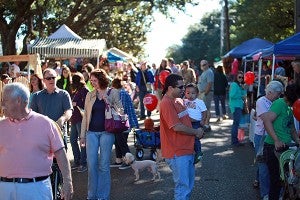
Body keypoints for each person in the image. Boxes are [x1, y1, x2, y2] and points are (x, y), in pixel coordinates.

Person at [0, 82, 73, 200]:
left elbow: (61, 155)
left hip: (37, 188)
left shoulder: (46, 124)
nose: (2, 104)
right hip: (4, 188)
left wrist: (68, 183)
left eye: (5, 100)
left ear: (18, 100)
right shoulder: (1, 126)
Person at [160, 73, 204, 200]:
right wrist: (196, 132)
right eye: (180, 87)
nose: (183, 90)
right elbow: (177, 127)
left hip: (186, 149)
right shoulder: (166, 103)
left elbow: (186, 119)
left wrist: (200, 125)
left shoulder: (178, 100)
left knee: (187, 186)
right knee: (182, 188)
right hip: (177, 152)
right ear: (170, 88)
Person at [80, 69, 122, 200]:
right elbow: (85, 116)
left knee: (104, 165)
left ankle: (103, 196)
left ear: (101, 79)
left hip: (107, 132)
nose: (92, 83)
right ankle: (91, 195)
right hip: (91, 132)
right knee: (91, 165)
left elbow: (120, 110)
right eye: (91, 81)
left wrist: (108, 100)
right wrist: (82, 135)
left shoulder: (113, 92)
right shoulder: (90, 95)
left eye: (95, 80)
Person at [262, 84, 299, 200]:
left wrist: (297, 140)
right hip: (273, 147)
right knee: (276, 181)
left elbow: (291, 128)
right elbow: (266, 120)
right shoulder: (279, 104)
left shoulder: (290, 108)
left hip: (285, 148)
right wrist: (276, 140)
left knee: (288, 181)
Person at [253, 80, 284, 200]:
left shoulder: (275, 101)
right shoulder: (261, 101)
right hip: (263, 136)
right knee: (264, 166)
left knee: (267, 164)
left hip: (270, 136)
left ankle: (259, 181)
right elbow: (268, 119)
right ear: (270, 92)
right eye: (278, 93)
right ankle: (265, 194)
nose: (279, 96)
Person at [30, 68, 73, 143]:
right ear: (44, 80)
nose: (51, 80)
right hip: (42, 135)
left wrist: (62, 119)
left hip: (59, 133)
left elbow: (69, 111)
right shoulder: (36, 96)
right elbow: (32, 114)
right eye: (48, 78)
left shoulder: (64, 94)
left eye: (53, 77)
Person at [111, 78, 139, 169]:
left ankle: (128, 161)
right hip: (124, 121)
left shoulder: (120, 93)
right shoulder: (123, 92)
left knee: (121, 141)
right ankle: (119, 160)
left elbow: (121, 107)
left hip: (122, 122)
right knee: (118, 140)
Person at [70, 72, 89, 172]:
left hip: (81, 119)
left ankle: (83, 163)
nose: (72, 82)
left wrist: (76, 103)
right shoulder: (76, 90)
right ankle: (77, 161)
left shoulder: (84, 90)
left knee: (82, 141)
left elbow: (88, 104)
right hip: (74, 118)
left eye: (74, 80)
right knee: (72, 140)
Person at [184, 83, 207, 164]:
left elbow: (204, 111)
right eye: (188, 93)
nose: (190, 95)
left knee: (196, 138)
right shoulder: (184, 101)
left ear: (197, 94)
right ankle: (191, 151)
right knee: (188, 137)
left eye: (193, 93)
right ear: (185, 93)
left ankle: (199, 152)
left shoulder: (199, 102)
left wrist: (203, 120)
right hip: (187, 122)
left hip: (196, 122)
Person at [229, 71, 247, 146]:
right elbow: (232, 95)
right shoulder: (234, 84)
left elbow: (244, 95)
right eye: (239, 77)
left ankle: (235, 141)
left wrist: (243, 89)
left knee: (236, 124)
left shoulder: (239, 85)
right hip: (235, 106)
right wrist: (241, 96)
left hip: (239, 106)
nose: (241, 78)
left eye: (242, 77)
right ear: (236, 77)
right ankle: (234, 141)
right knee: (235, 124)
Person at [198, 60, 214, 131]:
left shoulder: (209, 72)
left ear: (208, 64)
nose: (203, 66)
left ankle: (207, 125)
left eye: (204, 64)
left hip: (206, 93)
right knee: (203, 109)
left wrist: (205, 93)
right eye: (202, 65)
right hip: (202, 93)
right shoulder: (204, 72)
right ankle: (205, 124)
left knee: (206, 109)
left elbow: (209, 83)